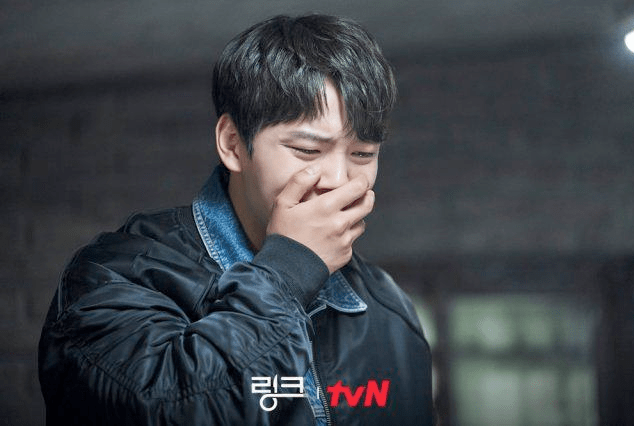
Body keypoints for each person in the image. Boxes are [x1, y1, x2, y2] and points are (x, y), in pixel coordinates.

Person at [38, 14, 433, 425]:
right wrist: (289, 271)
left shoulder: (388, 306)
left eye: (363, 154)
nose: (338, 179)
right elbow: (175, 410)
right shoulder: (115, 276)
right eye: (307, 150)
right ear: (232, 144)